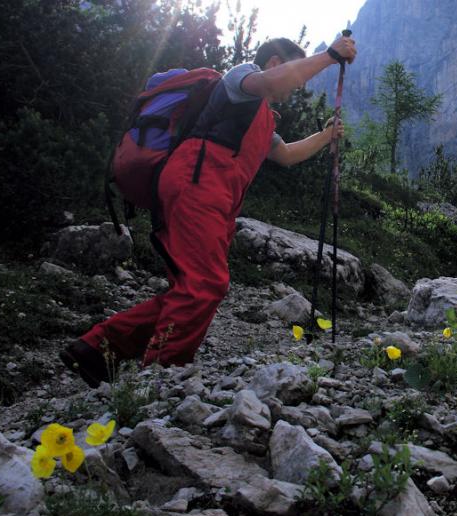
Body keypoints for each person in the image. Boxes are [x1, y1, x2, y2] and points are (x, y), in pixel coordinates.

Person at [60, 35, 358, 387]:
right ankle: (160, 377)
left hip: (210, 198)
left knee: (190, 288)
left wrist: (325, 137)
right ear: (276, 63)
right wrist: (329, 56)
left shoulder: (260, 116)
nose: (296, 88)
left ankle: (96, 349)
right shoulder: (240, 79)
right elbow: (272, 81)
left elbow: (287, 155)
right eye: (296, 78)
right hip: (195, 186)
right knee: (205, 285)